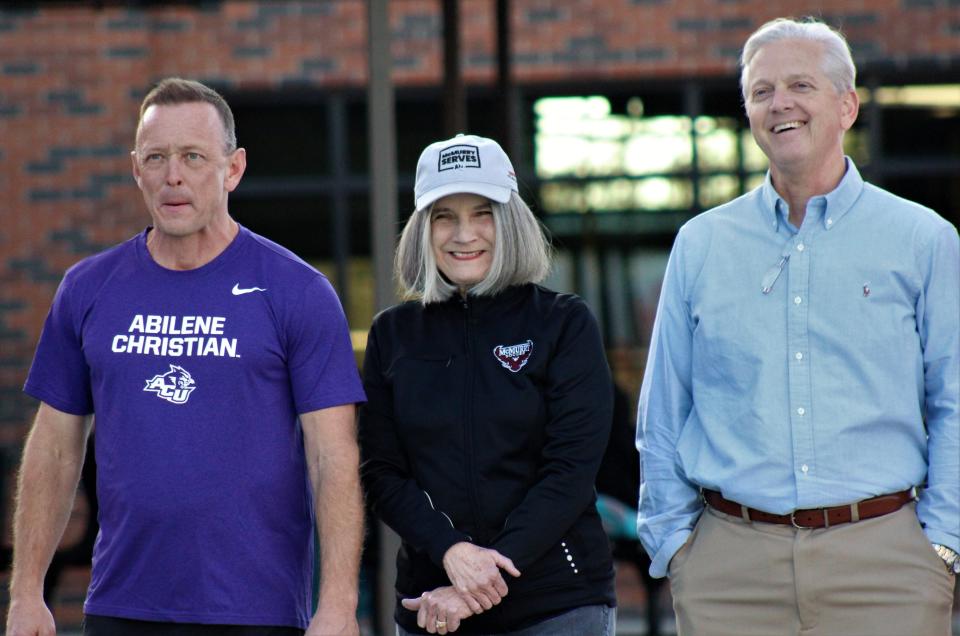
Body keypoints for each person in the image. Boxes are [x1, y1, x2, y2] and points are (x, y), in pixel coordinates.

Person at [6, 77, 366, 636]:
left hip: (257, 610)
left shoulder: (296, 290)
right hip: (124, 605)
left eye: (193, 157)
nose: (173, 175)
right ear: (136, 169)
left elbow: (333, 460)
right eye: (157, 157)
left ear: (233, 169)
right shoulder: (88, 288)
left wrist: (338, 605)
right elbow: (54, 448)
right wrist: (26, 591)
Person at [637, 17, 959, 636]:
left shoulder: (923, 240)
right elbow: (663, 413)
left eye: (800, 86)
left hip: (887, 566)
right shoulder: (702, 244)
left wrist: (941, 544)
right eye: (761, 91)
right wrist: (676, 548)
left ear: (847, 106)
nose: (779, 102)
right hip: (729, 573)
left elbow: (955, 400)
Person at [359, 134, 616, 635]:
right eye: (443, 216)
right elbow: (382, 472)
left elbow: (570, 470)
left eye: (482, 213)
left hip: (556, 605)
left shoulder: (563, 324)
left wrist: (484, 574)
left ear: (510, 221)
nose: (463, 234)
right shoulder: (393, 335)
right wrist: (451, 551)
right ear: (422, 230)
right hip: (432, 607)